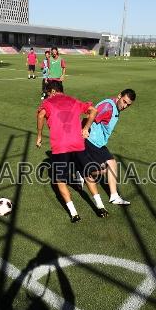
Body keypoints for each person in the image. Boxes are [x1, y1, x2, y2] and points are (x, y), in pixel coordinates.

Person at [36, 81, 108, 222]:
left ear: (53, 92)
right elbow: (94, 110)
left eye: (48, 93)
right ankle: (100, 206)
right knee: (87, 174)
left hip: (60, 146)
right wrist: (86, 128)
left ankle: (74, 213)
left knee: (59, 180)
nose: (47, 96)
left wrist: (39, 135)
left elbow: (40, 116)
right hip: (77, 144)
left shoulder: (48, 102)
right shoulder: (73, 100)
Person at [84, 89, 136, 205]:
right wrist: (85, 129)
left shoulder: (115, 107)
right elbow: (91, 114)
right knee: (108, 166)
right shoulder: (108, 106)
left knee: (107, 166)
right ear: (119, 96)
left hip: (98, 142)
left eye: (128, 104)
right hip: (91, 141)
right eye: (124, 101)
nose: (125, 106)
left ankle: (82, 172)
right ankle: (113, 196)